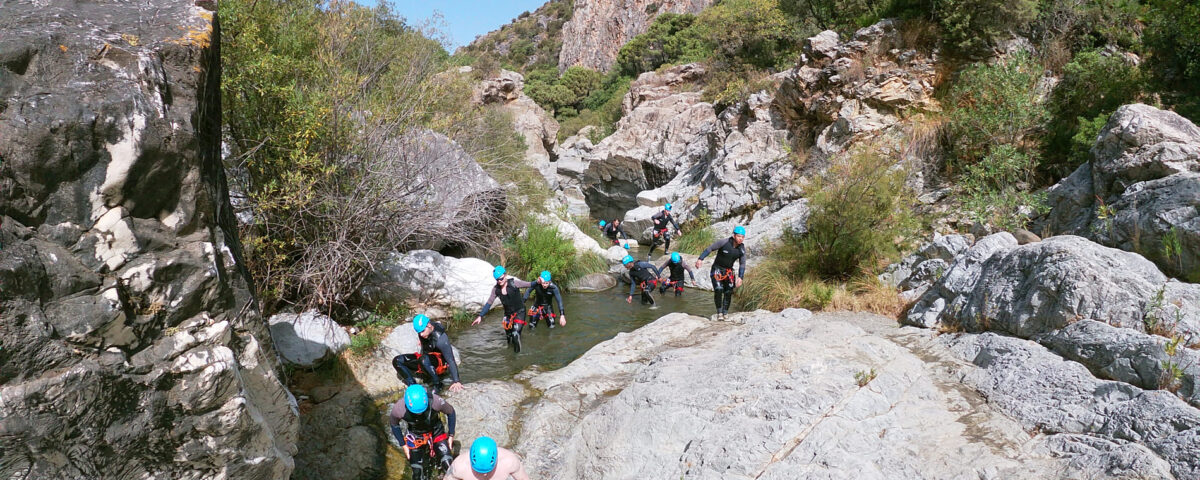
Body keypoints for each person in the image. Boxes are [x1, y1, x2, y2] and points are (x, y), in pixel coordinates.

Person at [390, 384, 455, 480]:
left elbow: (451, 412)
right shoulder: (399, 409)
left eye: (422, 411)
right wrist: (403, 445)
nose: (419, 414)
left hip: (436, 431)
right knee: (417, 473)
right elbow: (394, 425)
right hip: (416, 436)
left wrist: (451, 435)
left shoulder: (435, 401)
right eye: (416, 412)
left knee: (448, 464)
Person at [393, 314, 464, 395]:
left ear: (429, 325)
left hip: (438, 364)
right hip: (425, 360)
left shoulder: (441, 339)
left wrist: (456, 381)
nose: (421, 335)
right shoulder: (424, 331)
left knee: (423, 360)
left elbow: (450, 360)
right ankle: (413, 385)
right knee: (397, 361)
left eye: (423, 331)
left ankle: (438, 384)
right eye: (419, 333)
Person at [472, 265, 533, 353]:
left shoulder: (514, 283)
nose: (499, 281)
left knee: (516, 334)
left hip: (520, 312)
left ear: (505, 275)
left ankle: (517, 359)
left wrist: (539, 282)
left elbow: (529, 284)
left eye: (501, 278)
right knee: (509, 338)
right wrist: (480, 316)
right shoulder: (496, 289)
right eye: (497, 280)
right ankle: (510, 356)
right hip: (508, 315)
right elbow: (489, 302)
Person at [695, 225, 747, 320]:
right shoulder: (724, 242)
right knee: (718, 289)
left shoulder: (742, 249)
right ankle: (719, 312)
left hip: (729, 271)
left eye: (743, 237)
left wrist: (740, 277)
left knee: (728, 291)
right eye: (739, 236)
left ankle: (725, 312)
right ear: (734, 235)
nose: (741, 239)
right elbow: (710, 248)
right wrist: (700, 259)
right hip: (717, 269)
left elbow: (742, 264)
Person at [443, 436, 530, 480]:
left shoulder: (509, 462)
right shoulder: (459, 466)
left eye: (488, 471)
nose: (484, 475)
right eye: (478, 471)